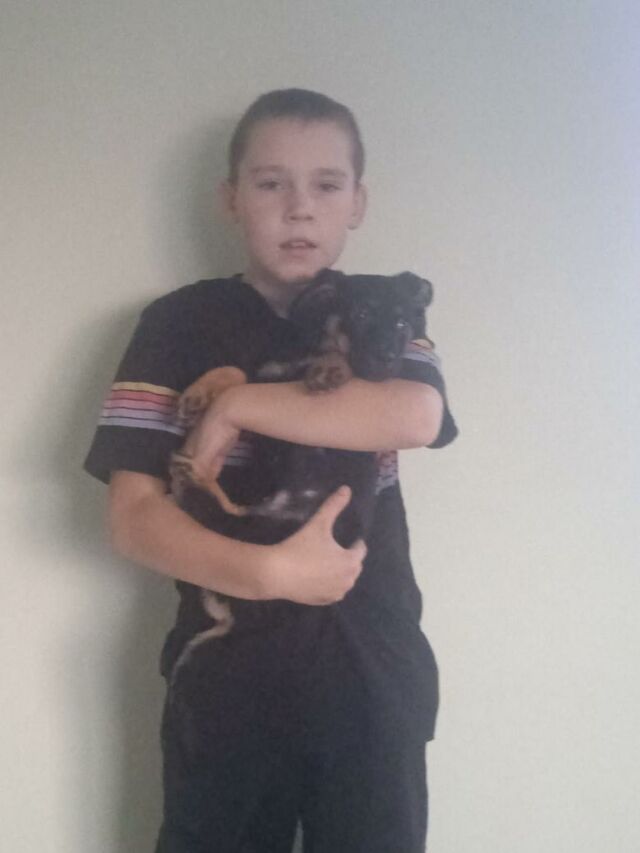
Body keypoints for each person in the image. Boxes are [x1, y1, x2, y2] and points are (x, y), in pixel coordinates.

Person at [84, 88, 458, 853]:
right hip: (226, 676)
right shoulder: (176, 325)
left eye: (326, 184)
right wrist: (271, 573)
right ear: (231, 199)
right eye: (270, 183)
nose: (299, 207)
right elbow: (132, 518)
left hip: (371, 670)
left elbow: (414, 415)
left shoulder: (384, 310)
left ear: (357, 203)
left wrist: (238, 405)